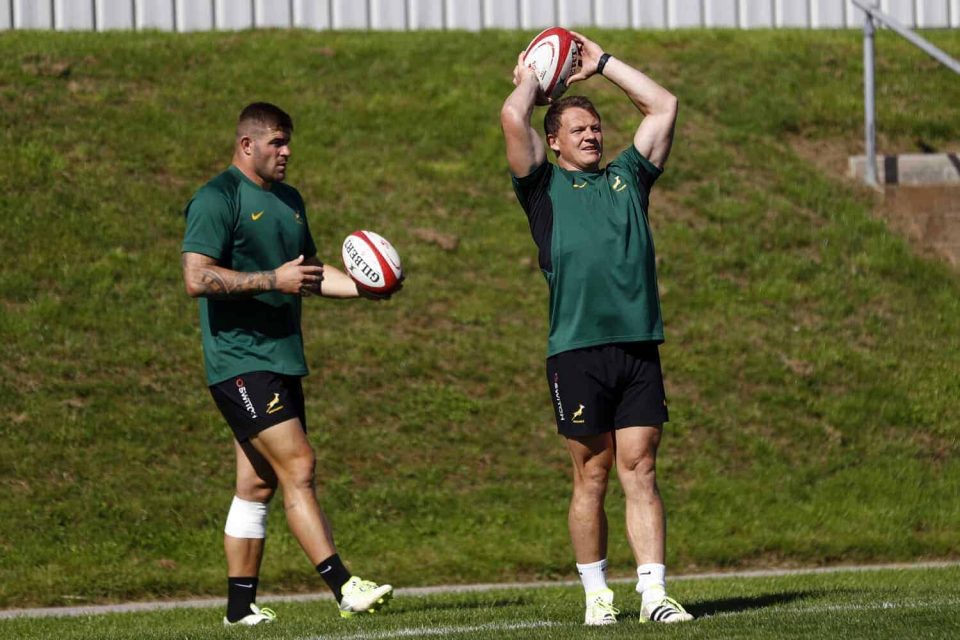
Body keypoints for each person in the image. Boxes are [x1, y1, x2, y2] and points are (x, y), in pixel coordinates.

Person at [500, 33, 692, 625]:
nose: (591, 135)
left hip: (637, 346)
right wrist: (531, 79)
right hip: (576, 352)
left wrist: (601, 63)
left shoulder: (629, 178)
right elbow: (512, 117)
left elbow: (664, 105)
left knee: (641, 467)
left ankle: (654, 594)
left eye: (596, 127)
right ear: (553, 141)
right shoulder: (542, 188)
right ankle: (597, 598)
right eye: (577, 129)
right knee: (592, 473)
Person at [181, 102, 394, 626]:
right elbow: (197, 277)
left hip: (281, 359)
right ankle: (344, 587)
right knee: (299, 465)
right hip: (239, 360)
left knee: (257, 484)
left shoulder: (290, 200)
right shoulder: (217, 198)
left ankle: (239, 609)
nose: (287, 151)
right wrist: (271, 280)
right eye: (276, 142)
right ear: (247, 144)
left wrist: (367, 288)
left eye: (288, 141)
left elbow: (311, 274)